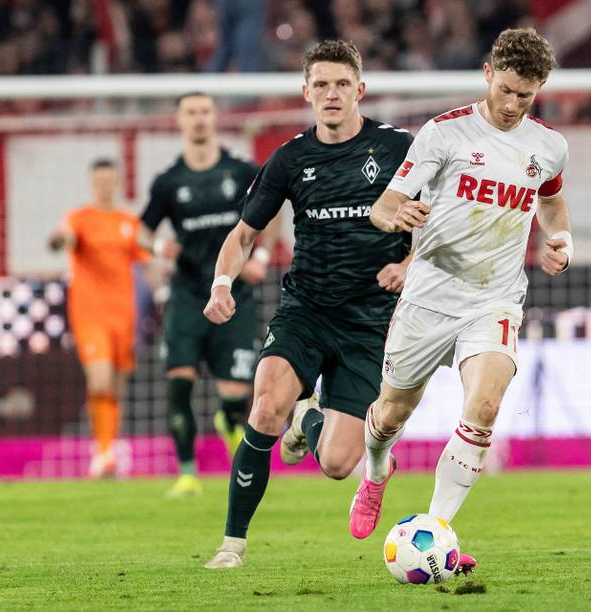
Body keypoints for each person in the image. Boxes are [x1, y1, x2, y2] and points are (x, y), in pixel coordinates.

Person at [348, 27, 573, 574]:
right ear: (487, 74)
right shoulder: (444, 133)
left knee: (485, 408)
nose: (512, 104)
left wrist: (562, 241)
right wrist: (396, 216)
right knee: (391, 413)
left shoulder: (548, 146)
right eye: (505, 90)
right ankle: (376, 469)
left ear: (539, 90)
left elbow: (551, 204)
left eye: (525, 95)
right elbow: (385, 205)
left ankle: (438, 531)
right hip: (429, 297)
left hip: (495, 299)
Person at [201, 40, 413, 569]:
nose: (331, 94)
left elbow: (440, 219)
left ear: (360, 90)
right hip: (306, 310)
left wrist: (409, 266)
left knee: (337, 464)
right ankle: (231, 545)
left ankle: (308, 420)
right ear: (306, 92)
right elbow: (243, 234)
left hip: (371, 321)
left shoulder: (398, 149)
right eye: (321, 85)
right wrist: (222, 283)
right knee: (264, 407)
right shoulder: (290, 158)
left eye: (342, 84)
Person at [138, 92, 278, 498]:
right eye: (191, 112)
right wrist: (157, 248)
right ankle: (186, 475)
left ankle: (228, 420)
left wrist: (261, 257)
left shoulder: (242, 171)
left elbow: (270, 214)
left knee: (236, 396)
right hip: (187, 296)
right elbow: (142, 233)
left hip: (235, 294)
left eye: (204, 111)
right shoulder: (168, 182)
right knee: (178, 383)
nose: (198, 119)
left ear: (215, 118)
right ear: (179, 121)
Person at [48, 159, 149, 478]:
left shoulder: (128, 222)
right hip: (90, 314)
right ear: (92, 185)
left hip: (124, 315)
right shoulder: (79, 218)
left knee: (116, 386)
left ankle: (108, 448)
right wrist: (61, 241)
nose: (104, 187)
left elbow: (146, 259)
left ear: (118, 184)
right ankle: (102, 453)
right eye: (99, 182)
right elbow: (65, 237)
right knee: (100, 380)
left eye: (110, 181)